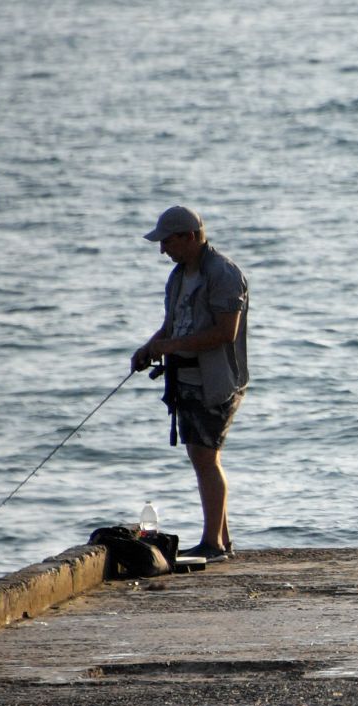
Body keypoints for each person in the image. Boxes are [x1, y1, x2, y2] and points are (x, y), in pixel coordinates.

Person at [130, 206, 248, 560]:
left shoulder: (223, 274)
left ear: (191, 236)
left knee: (205, 457)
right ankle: (220, 541)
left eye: (168, 241)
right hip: (186, 379)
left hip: (217, 380)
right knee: (200, 456)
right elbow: (172, 325)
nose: (163, 250)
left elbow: (226, 332)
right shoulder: (179, 276)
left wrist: (171, 346)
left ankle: (213, 543)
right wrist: (150, 347)